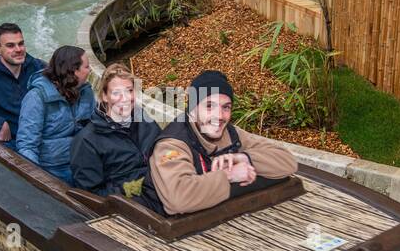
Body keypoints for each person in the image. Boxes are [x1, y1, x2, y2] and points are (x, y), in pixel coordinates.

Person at [139, 70, 298, 216]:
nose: (219, 116)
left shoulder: (230, 133)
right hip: (162, 232)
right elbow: (178, 199)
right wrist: (229, 175)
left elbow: (288, 161)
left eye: (226, 107)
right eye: (209, 106)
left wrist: (244, 158)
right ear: (192, 109)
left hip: (217, 219)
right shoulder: (171, 145)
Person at [69, 64, 160, 199]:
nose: (126, 98)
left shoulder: (146, 122)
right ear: (104, 96)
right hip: (129, 203)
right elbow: (91, 194)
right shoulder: (86, 141)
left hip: (162, 189)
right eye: (116, 93)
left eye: (129, 90)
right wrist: (132, 189)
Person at [15, 46, 95, 183]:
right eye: (87, 67)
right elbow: (27, 146)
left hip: (85, 162)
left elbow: (95, 126)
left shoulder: (86, 92)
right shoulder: (36, 97)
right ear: (74, 71)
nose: (90, 70)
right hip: (53, 169)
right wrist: (39, 180)